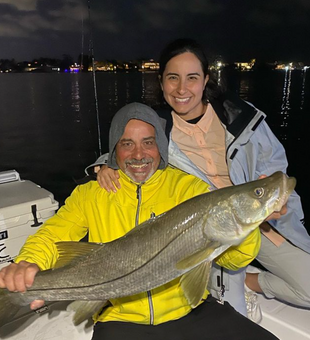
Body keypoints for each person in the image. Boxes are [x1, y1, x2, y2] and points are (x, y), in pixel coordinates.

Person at [0, 102, 279, 340]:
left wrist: (251, 223)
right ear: (114, 150)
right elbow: (52, 235)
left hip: (187, 311)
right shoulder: (90, 193)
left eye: (148, 142)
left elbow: (234, 261)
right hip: (120, 320)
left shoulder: (189, 189)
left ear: (160, 144)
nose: (138, 155)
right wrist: (28, 263)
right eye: (127, 144)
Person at [92, 39, 310, 322]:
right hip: (198, 234)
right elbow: (125, 151)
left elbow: (276, 169)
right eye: (173, 78)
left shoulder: (242, 116)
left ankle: (252, 282)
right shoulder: (158, 127)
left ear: (206, 79)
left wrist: (282, 206)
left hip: (258, 222)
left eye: (192, 78)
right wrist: (102, 166)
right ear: (161, 82)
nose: (182, 89)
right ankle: (235, 282)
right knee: (229, 315)